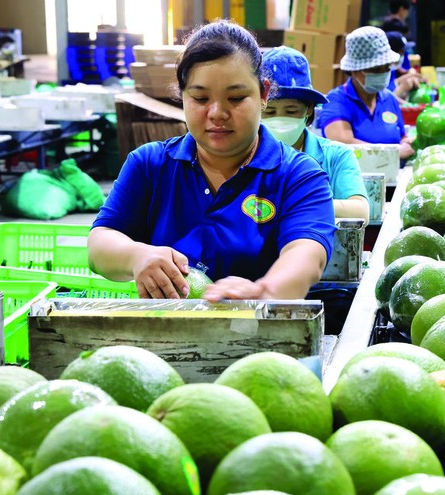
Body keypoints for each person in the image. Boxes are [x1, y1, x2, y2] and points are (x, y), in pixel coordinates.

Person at [88, 20, 336, 301]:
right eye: (200, 97)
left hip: (261, 334)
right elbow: (99, 245)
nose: (217, 113)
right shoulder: (149, 165)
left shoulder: (298, 175)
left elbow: (307, 253)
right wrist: (136, 256)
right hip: (162, 332)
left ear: (264, 94)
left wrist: (266, 291)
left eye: (236, 97)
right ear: (181, 96)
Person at [260, 46, 370, 223]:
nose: (280, 119)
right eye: (270, 112)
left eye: (291, 111)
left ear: (309, 109)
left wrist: (298, 203)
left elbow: (360, 210)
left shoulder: (335, 156)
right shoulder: (244, 157)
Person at [319, 26, 415, 160]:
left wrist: (406, 142)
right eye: (375, 70)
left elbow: (402, 136)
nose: (382, 74)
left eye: (386, 68)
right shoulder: (337, 101)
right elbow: (342, 144)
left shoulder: (389, 99)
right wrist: (391, 154)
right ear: (354, 70)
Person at [385, 31, 424, 101]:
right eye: (402, 52)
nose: (403, 56)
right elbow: (382, 101)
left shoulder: (391, 71)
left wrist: (411, 77)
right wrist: (401, 89)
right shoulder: (381, 73)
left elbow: (393, 84)